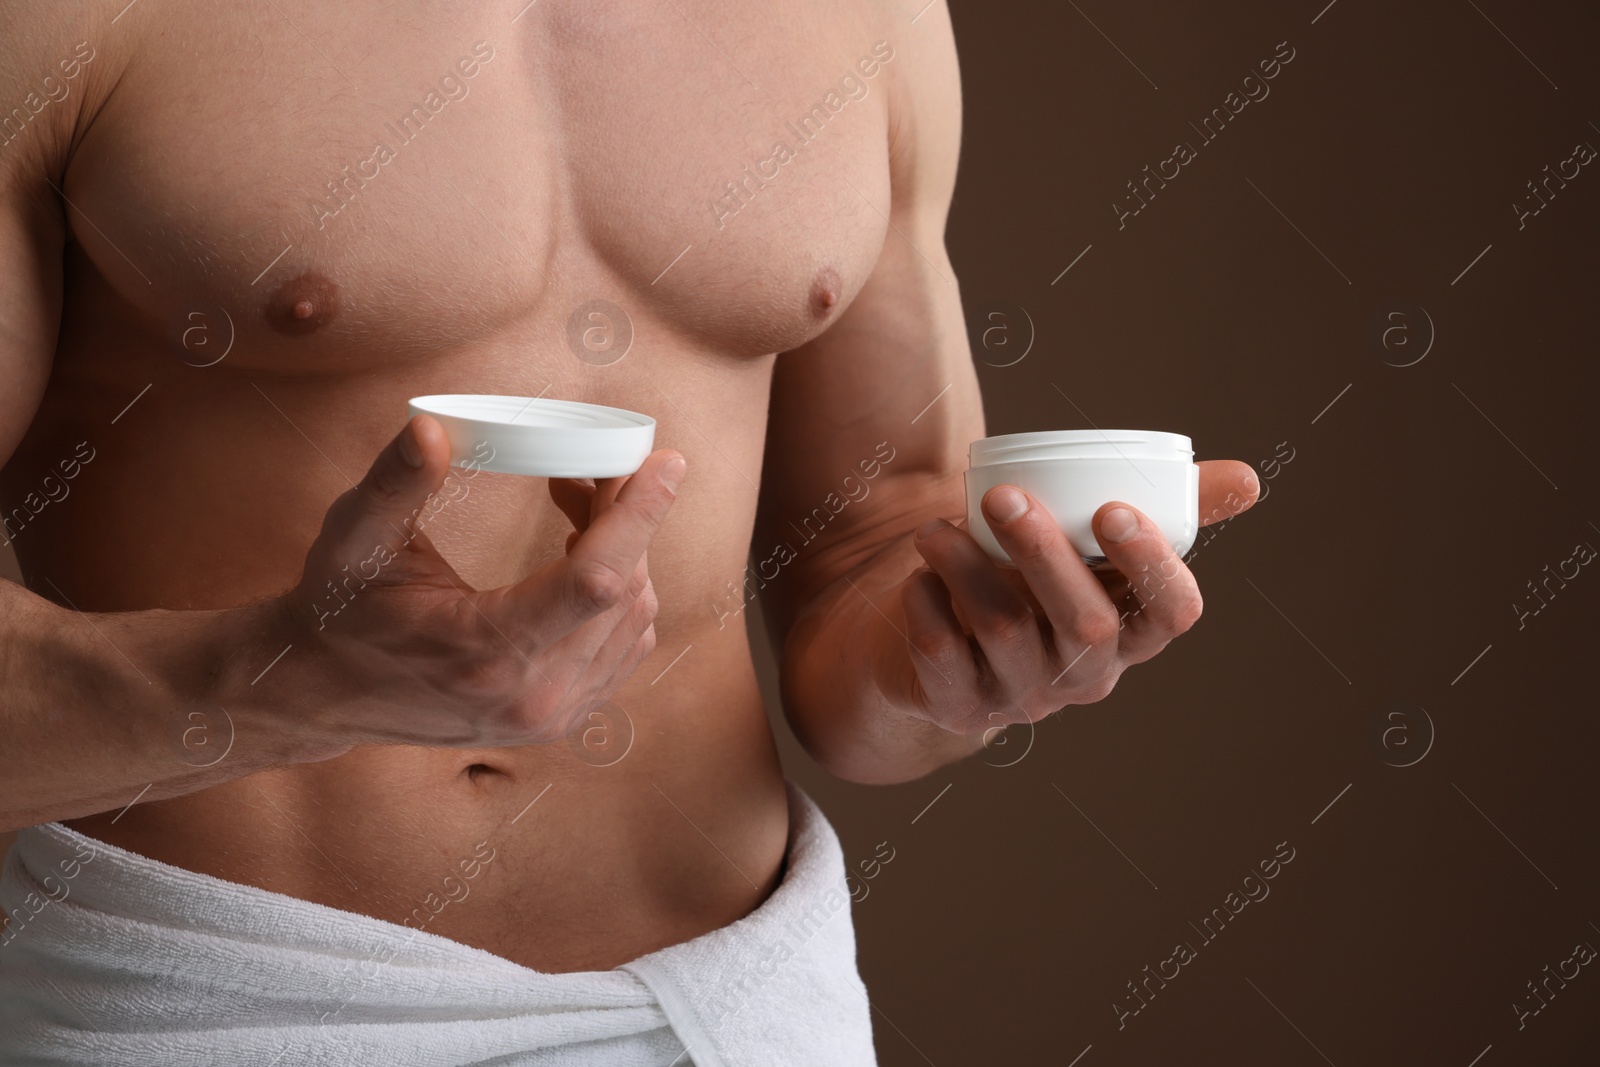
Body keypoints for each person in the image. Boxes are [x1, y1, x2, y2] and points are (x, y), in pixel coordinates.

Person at [0, 1, 1257, 1062]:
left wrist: (964, 655)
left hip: (739, 1010)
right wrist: (267, 689)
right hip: (224, 1006)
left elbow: (866, 550)